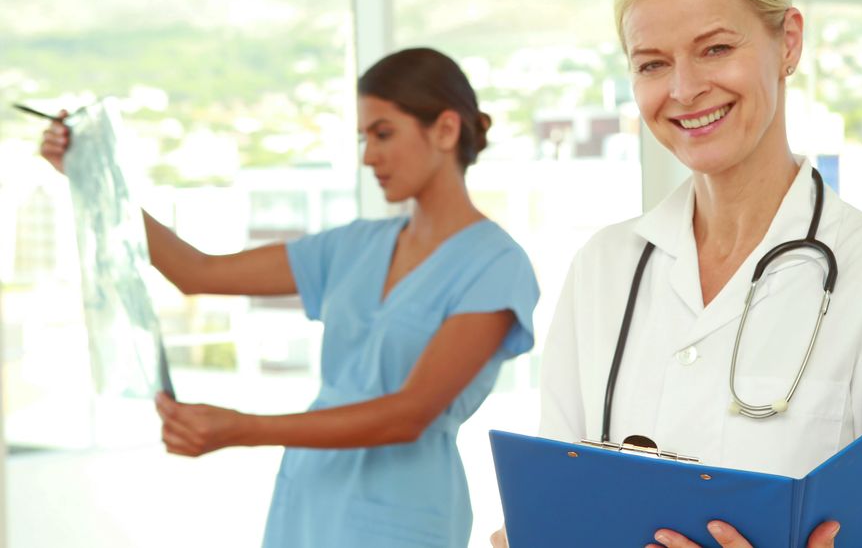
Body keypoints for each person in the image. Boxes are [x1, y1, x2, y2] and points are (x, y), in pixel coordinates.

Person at [493, 0, 862, 547]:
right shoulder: (603, 269)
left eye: (715, 48)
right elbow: (550, 510)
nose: (685, 89)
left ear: (788, 42)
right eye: (651, 64)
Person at [41, 47, 540, 548]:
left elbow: (408, 413)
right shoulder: (353, 246)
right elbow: (195, 271)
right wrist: (89, 174)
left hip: (405, 514)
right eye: (364, 138)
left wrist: (240, 428)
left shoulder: (497, 266)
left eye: (383, 133)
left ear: (446, 130)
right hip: (306, 502)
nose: (369, 156)